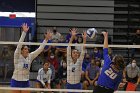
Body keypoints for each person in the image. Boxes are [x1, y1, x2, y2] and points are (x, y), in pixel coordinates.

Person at [11, 23, 52, 93]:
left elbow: (40, 49)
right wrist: (24, 32)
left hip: (25, 82)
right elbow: (19, 45)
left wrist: (46, 39)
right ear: (21, 51)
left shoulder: (30, 56)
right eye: (25, 49)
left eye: (27, 49)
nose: (27, 50)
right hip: (16, 81)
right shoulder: (17, 55)